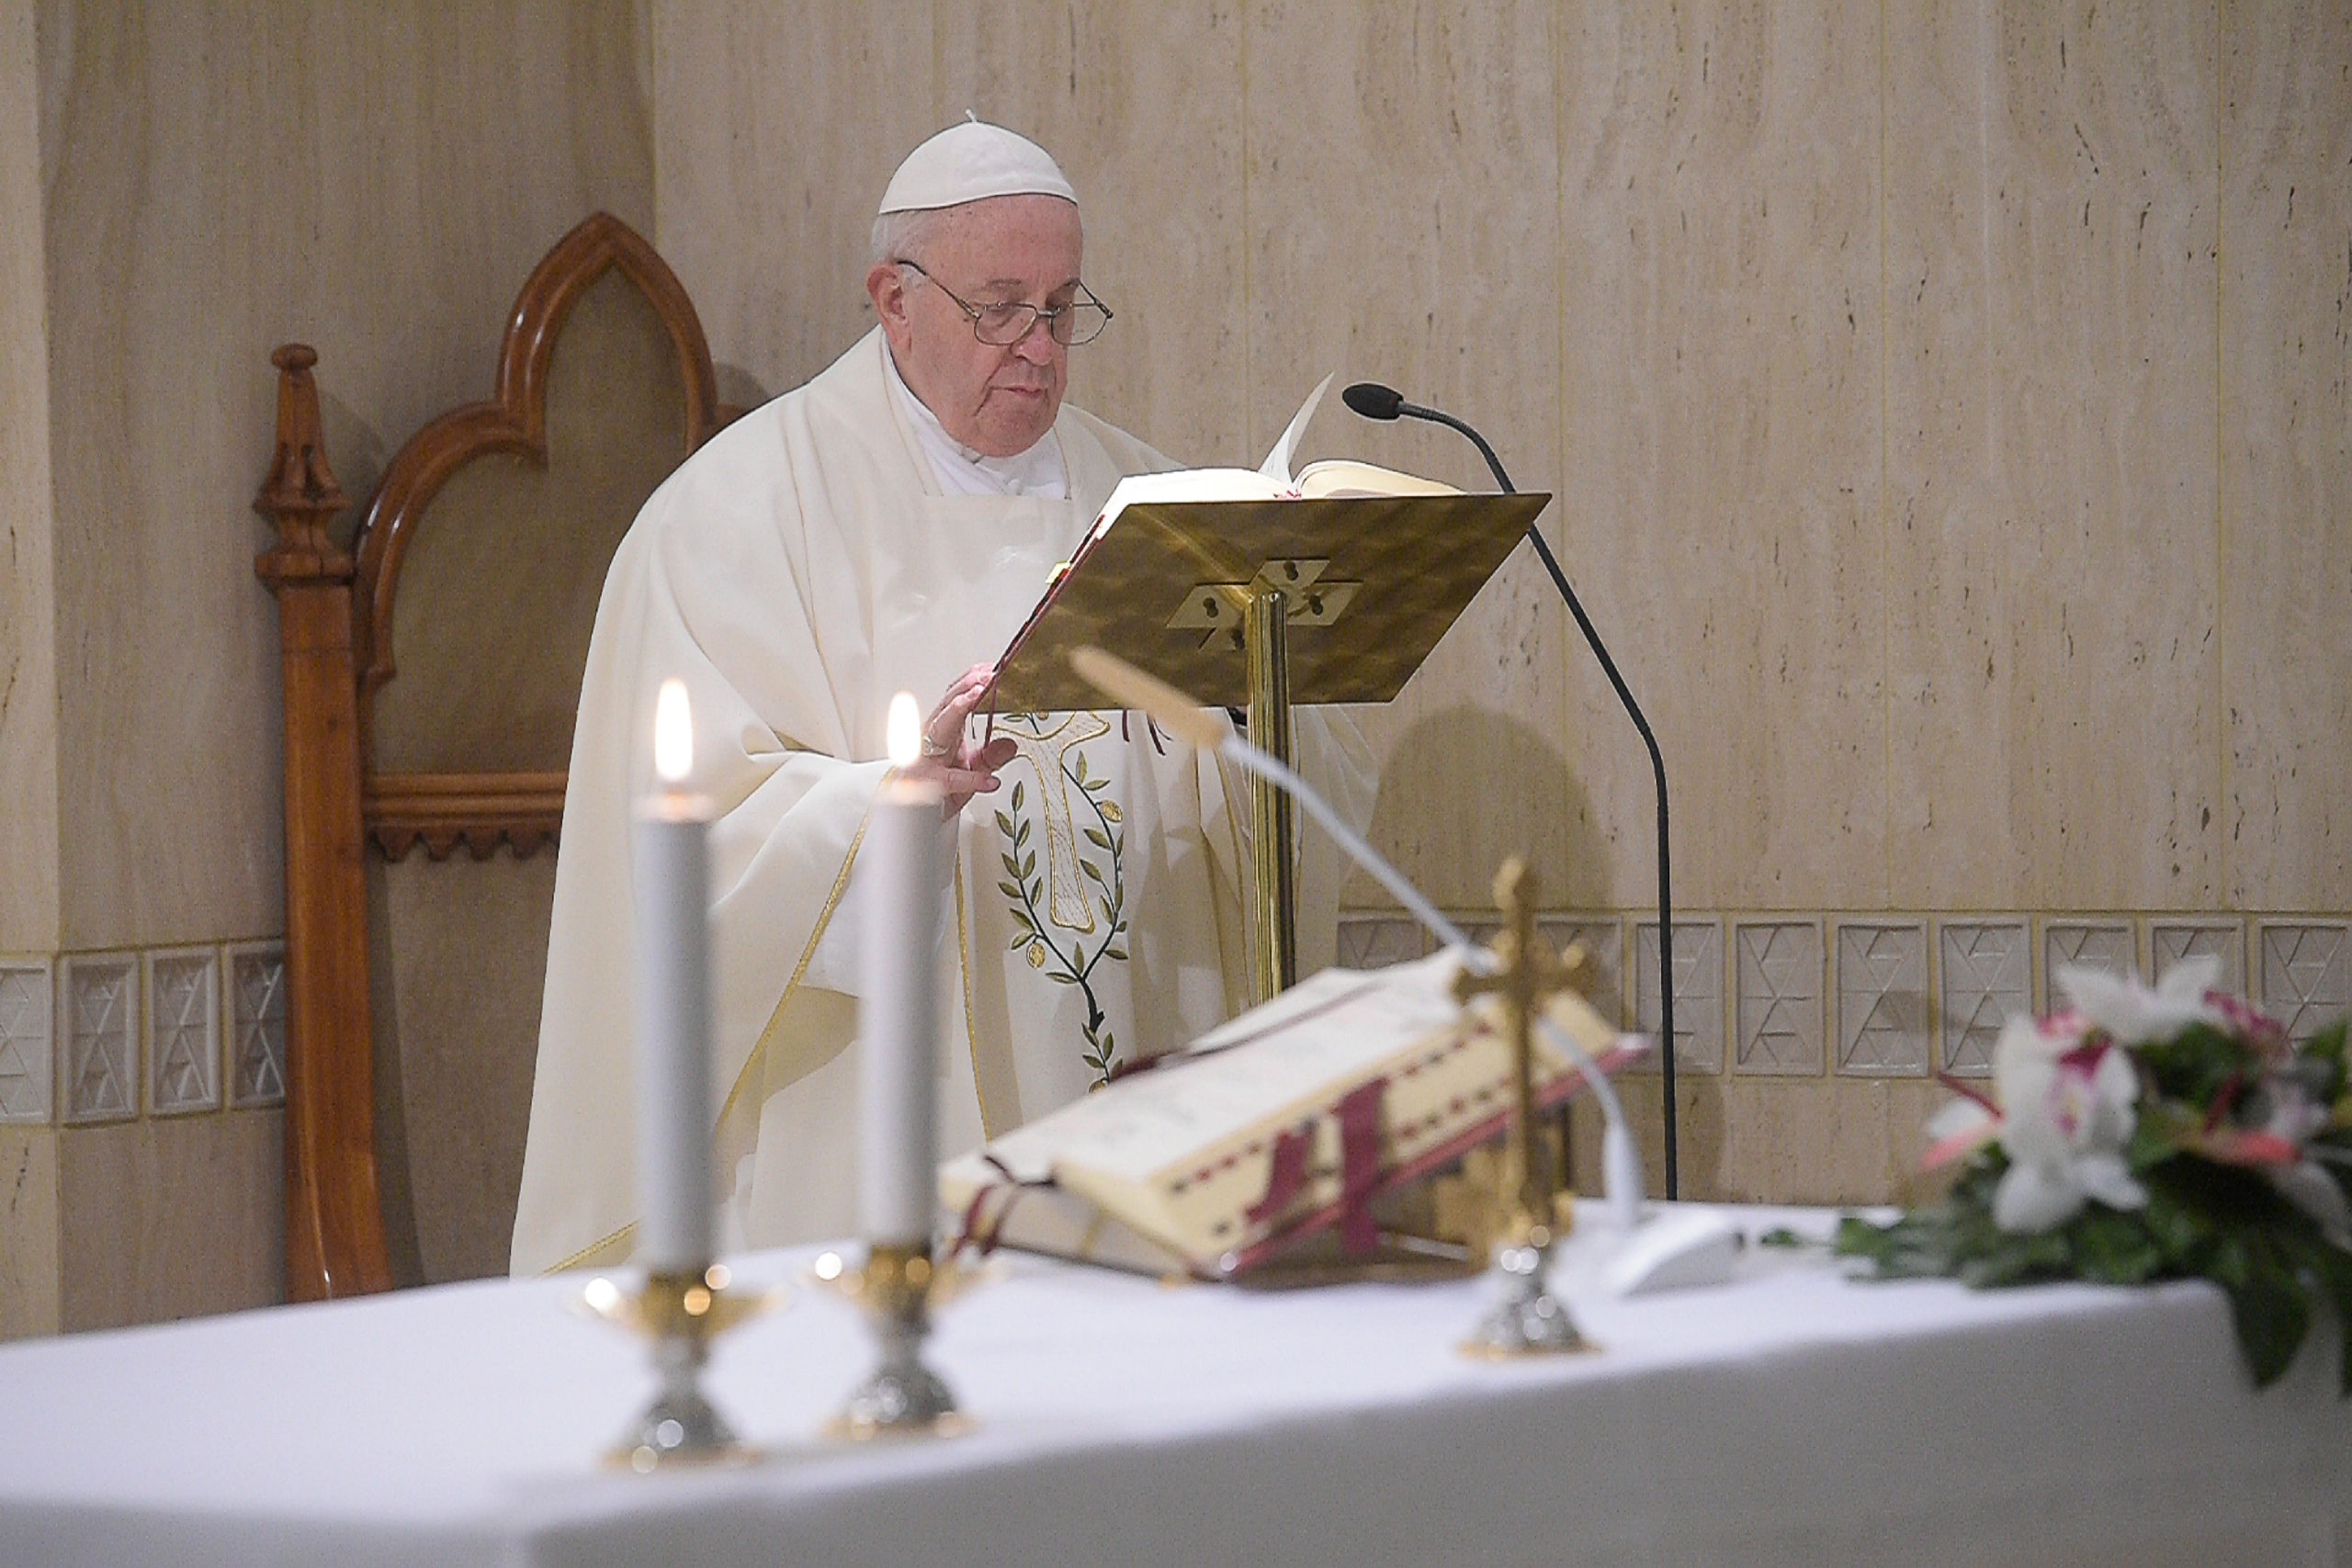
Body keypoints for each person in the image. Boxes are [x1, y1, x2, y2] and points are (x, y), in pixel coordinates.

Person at [510, 122, 1374, 1275]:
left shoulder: (1158, 502)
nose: (1039, 348)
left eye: (1061, 309)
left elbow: (1294, 804)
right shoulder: (732, 514)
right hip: (863, 1135)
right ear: (893, 301)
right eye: (999, 309)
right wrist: (887, 809)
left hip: (1142, 1111)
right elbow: (676, 852)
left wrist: (1256, 709)